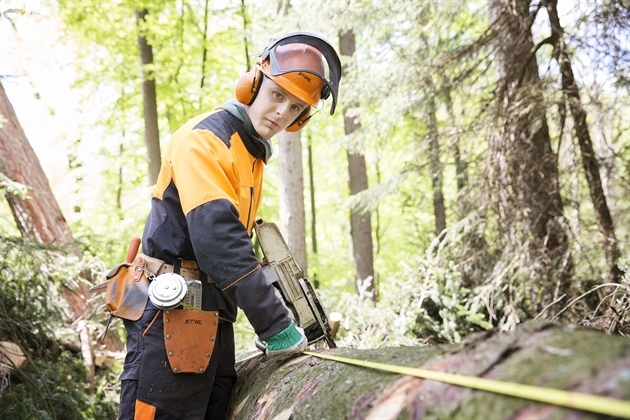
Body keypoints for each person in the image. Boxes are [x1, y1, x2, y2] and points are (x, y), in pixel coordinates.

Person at [117, 32, 342, 420]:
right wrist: (275, 326)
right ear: (253, 82)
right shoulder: (205, 140)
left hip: (213, 315)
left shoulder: (250, 152)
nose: (280, 112)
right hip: (169, 315)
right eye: (276, 96)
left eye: (294, 108)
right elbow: (219, 242)